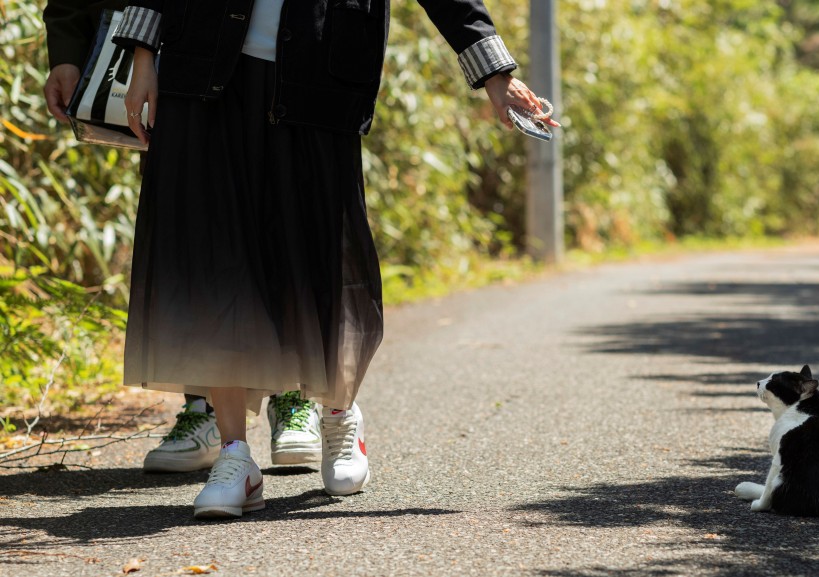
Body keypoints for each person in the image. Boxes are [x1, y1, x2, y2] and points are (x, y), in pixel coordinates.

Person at [113, 0, 558, 519]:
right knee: (216, 258)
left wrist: (493, 72)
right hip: (203, 63)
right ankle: (235, 457)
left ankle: (339, 412)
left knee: (321, 258)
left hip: (322, 73)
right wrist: (142, 53)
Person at [41, 0, 324, 474]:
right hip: (160, 54)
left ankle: (292, 393)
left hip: (278, 50)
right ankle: (205, 405)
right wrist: (69, 47)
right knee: (196, 232)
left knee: (283, 213)